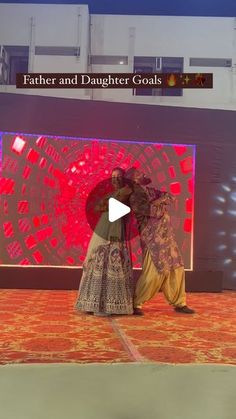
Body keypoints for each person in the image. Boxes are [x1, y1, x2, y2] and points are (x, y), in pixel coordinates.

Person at [126, 167, 194, 315]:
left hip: (167, 236)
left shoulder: (151, 191)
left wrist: (159, 201)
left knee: (176, 269)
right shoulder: (134, 197)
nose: (141, 176)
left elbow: (170, 197)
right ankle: (136, 303)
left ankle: (179, 303)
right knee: (154, 272)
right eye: (137, 176)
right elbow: (151, 212)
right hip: (152, 239)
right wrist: (161, 203)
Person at [76, 167, 134, 316]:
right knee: (96, 262)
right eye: (113, 176)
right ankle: (95, 303)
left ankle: (110, 305)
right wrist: (109, 203)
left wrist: (108, 204)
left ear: (123, 178)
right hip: (103, 229)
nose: (115, 179)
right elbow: (97, 207)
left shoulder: (127, 190)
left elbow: (114, 204)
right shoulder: (111, 194)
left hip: (114, 232)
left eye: (118, 176)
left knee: (112, 265)